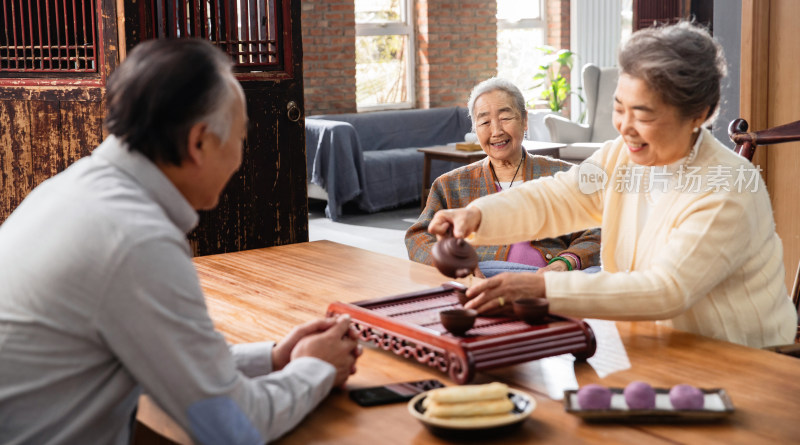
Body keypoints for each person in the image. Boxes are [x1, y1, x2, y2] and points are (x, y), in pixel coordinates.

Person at [0, 39, 360, 444]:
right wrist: (315, 368)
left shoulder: (65, 192)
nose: (240, 158)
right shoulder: (136, 241)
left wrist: (273, 358)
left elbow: (162, 356)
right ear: (199, 142)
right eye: (240, 138)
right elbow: (234, 429)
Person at [428, 22, 797, 349]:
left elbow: (664, 290)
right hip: (653, 345)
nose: (624, 126)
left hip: (742, 359)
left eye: (643, 114)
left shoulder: (729, 186)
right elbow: (560, 197)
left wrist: (542, 287)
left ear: (697, 115)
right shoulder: (622, 156)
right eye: (619, 108)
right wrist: (477, 215)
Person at [406, 77, 601, 275]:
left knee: (594, 274)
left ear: (525, 120)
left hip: (547, 278)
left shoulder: (563, 175)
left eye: (505, 118)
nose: (496, 131)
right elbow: (417, 237)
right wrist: (457, 265)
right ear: (475, 129)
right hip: (484, 275)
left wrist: (565, 263)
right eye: (484, 122)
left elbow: (597, 231)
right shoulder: (450, 184)